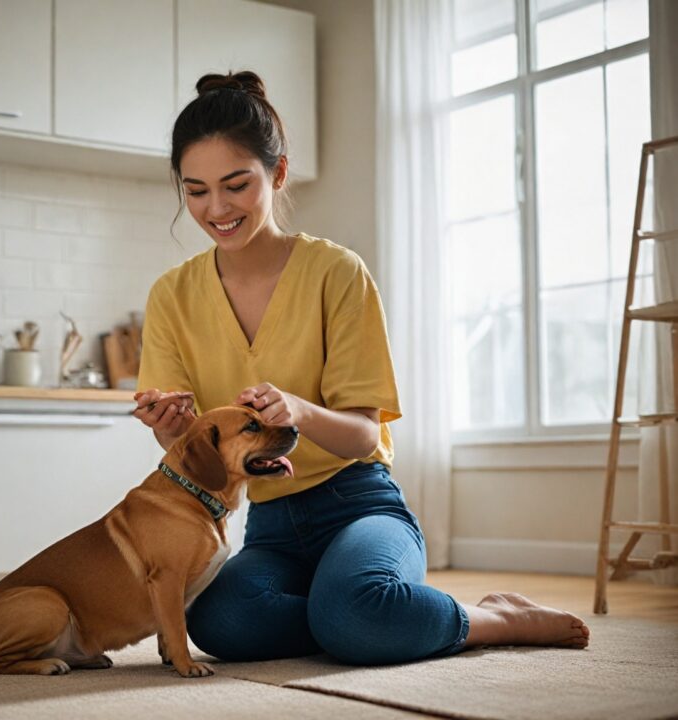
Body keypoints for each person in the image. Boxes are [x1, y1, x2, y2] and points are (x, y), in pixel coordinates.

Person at [132, 70, 591, 665]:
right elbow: (187, 444)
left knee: (353, 612)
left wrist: (298, 409)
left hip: (360, 503)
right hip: (269, 522)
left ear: (277, 173)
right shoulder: (171, 294)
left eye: (236, 185)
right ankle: (361, 612)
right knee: (220, 622)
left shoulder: (336, 272)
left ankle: (495, 617)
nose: (216, 208)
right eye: (195, 191)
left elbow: (364, 434)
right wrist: (167, 426)